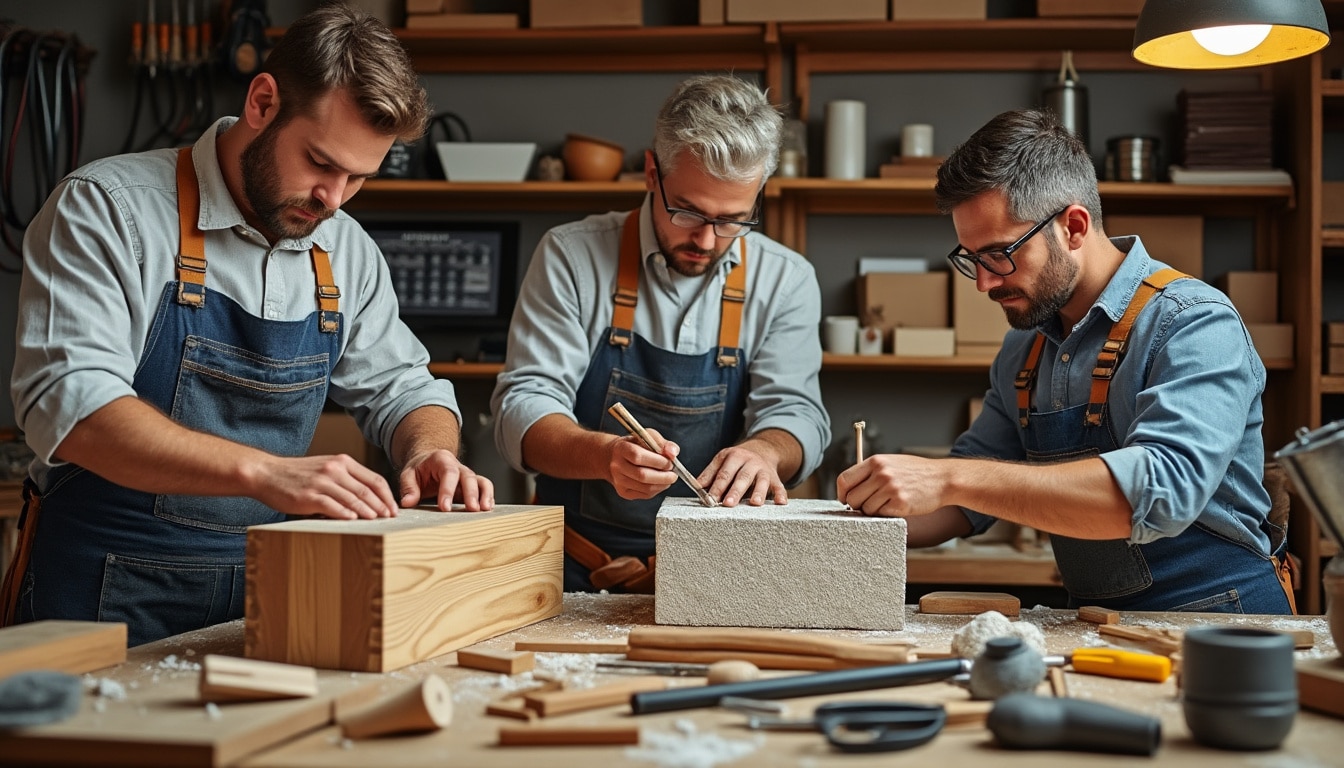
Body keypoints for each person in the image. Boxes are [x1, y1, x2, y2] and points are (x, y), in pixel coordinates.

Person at [3, 6, 493, 646]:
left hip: (269, 595)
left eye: (358, 177)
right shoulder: (108, 210)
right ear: (263, 101)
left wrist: (430, 449)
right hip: (99, 595)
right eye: (320, 162)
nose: (334, 198)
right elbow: (73, 408)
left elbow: (408, 388)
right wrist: (265, 473)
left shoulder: (344, 249)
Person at [838, 108, 1294, 615]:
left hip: (1225, 624)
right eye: (971, 259)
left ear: (1073, 227)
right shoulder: (1025, 349)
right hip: (1098, 622)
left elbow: (1159, 492)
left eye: (998, 255)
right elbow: (963, 504)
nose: (983, 283)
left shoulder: (1193, 324)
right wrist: (865, 517)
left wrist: (946, 478)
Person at [491, 74, 830, 592]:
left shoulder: (786, 279)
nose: (708, 239)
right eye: (688, 211)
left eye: (734, 219)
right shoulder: (571, 256)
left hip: (717, 571)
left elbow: (797, 413)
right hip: (567, 566)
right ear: (652, 172)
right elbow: (523, 408)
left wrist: (765, 451)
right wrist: (605, 457)